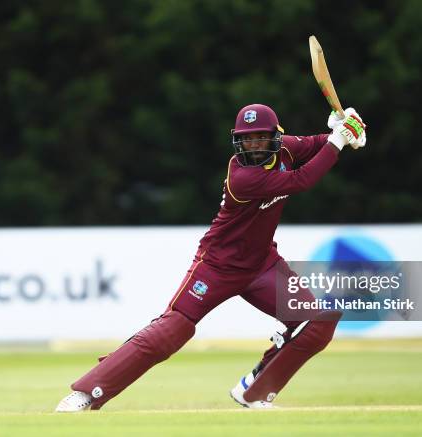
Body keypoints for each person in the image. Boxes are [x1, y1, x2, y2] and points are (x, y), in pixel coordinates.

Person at [55, 103, 367, 412]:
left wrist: (338, 127)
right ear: (237, 141)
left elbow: (314, 145)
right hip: (217, 265)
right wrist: (338, 141)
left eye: (260, 138)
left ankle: (253, 391)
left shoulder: (285, 148)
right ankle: (87, 394)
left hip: (262, 265)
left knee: (316, 323)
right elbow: (303, 180)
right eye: (246, 139)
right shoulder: (243, 177)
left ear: (275, 136)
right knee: (170, 330)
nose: (254, 145)